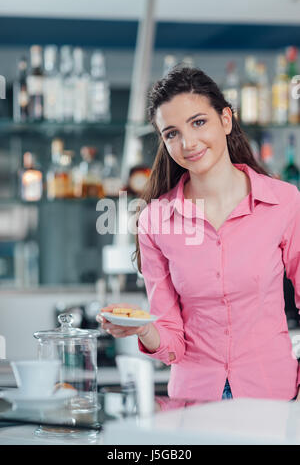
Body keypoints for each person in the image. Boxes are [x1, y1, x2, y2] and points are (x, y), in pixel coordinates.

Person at [97, 66, 300, 402]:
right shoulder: (154, 221)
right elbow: (172, 341)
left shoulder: (284, 202)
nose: (187, 143)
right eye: (171, 133)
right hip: (194, 400)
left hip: (271, 394)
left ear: (225, 120)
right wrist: (144, 329)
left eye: (198, 122)